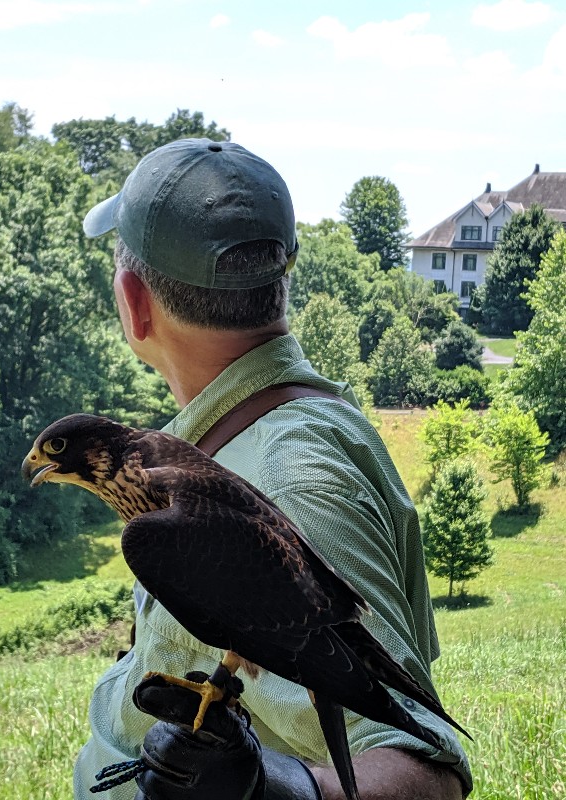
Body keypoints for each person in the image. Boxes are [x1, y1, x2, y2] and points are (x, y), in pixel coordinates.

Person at [76, 137, 472, 800]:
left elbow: (423, 772)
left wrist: (277, 791)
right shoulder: (215, 451)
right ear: (282, 280)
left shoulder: (290, 476)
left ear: (133, 301)